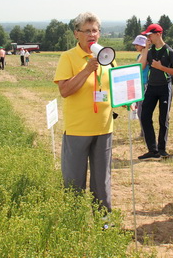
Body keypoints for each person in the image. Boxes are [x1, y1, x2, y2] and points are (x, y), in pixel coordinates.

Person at [54, 12, 115, 213]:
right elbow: (65, 91)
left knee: (102, 180)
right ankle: (74, 220)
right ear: (76, 34)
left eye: (95, 30)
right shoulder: (68, 57)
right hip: (78, 130)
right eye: (87, 31)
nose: (92, 34)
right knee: (74, 180)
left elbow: (115, 88)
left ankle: (104, 220)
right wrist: (87, 69)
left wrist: (128, 102)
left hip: (104, 128)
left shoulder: (108, 56)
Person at [137, 24, 173, 160]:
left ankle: (162, 149)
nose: (148, 37)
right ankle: (153, 150)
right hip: (151, 87)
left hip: (164, 88)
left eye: (149, 35)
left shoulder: (169, 51)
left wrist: (161, 67)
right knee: (144, 116)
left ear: (158, 34)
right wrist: (145, 49)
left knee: (163, 119)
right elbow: (141, 66)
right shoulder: (150, 52)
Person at [132, 35, 149, 137]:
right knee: (139, 110)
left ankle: (144, 133)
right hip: (139, 84)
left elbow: (140, 67)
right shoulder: (140, 56)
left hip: (145, 84)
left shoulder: (146, 55)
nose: (135, 46)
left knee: (142, 110)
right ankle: (143, 132)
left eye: (137, 44)